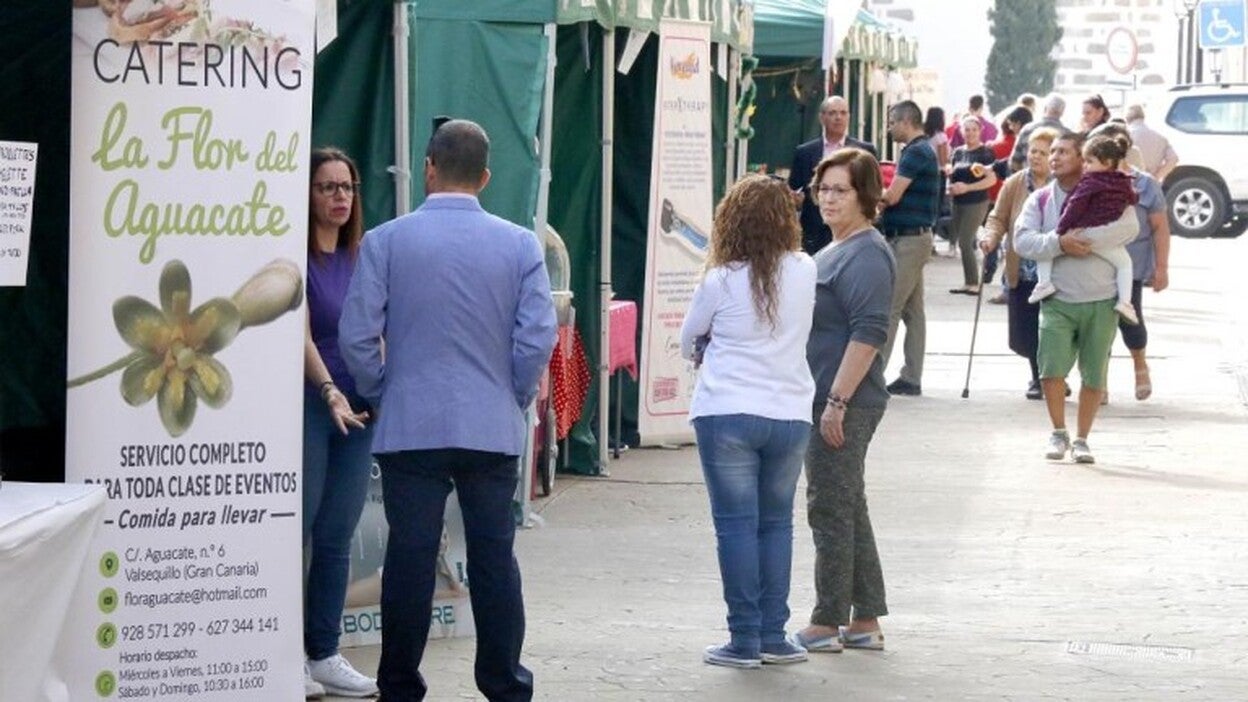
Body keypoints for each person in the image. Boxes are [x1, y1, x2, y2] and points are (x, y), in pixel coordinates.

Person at [339, 119, 557, 701]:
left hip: (411, 424)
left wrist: (384, 391)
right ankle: (504, 685)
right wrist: (511, 393)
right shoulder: (520, 245)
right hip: (490, 426)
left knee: (409, 558)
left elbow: (357, 336)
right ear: (485, 177)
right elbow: (537, 337)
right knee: (494, 558)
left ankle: (399, 685)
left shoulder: (385, 241)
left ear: (428, 169)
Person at [680, 174, 817, 670]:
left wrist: (708, 346)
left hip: (727, 410)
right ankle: (774, 635)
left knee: (735, 526)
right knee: (777, 524)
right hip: (790, 411)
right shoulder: (805, 268)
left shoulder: (719, 279)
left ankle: (743, 640)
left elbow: (689, 338)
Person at [788, 148, 896, 655]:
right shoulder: (836, 248)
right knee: (847, 503)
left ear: (865, 195)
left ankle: (827, 620)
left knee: (829, 507)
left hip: (846, 401)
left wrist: (837, 401)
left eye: (841, 190)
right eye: (823, 189)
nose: (829, 199)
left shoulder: (867, 253)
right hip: (827, 395)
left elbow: (869, 331)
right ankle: (865, 618)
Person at [301, 147, 378, 699]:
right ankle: (283, 654)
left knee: (336, 535)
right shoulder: (296, 257)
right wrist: (329, 391)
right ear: (307, 195)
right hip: (311, 405)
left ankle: (324, 653)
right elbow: (300, 335)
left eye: (346, 187)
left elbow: (380, 328)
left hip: (361, 411)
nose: (339, 197)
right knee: (298, 531)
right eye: (327, 187)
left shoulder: (364, 255)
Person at [1014, 132, 1139, 464]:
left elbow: (1130, 228)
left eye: (1063, 151)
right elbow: (1022, 241)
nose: (1054, 157)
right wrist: (1060, 244)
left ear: (1083, 159)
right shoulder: (1040, 200)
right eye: (1051, 151)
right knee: (1050, 371)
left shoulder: (1110, 193)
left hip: (1102, 301)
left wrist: (1084, 239)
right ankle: (1059, 431)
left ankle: (1082, 438)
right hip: (1057, 299)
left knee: (1094, 376)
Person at [1088, 121, 1172, 403]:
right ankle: (1099, 380)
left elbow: (1160, 228)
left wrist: (1161, 268)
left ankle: (1140, 365)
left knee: (1129, 318)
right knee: (1099, 323)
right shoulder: (1090, 181)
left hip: (1132, 265)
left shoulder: (1145, 184)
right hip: (1096, 264)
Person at [980, 128, 1060, 399]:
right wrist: (990, 237)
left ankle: (1048, 377)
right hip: (1023, 270)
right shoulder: (1015, 183)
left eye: (1043, 152)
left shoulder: (1063, 185)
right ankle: (1042, 375)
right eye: (1032, 151)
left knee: (1053, 328)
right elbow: (998, 217)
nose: (1035, 156)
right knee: (1024, 332)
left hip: (1057, 271)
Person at [1029, 134, 1139, 327]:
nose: (1085, 165)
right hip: (1105, 235)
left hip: (1082, 231)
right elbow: (1133, 198)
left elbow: (1075, 206)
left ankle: (1043, 284)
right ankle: (1125, 302)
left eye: (1089, 161)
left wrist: (1061, 230)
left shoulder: (1089, 182)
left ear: (1106, 162)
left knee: (1046, 251)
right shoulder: (1123, 180)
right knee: (1125, 263)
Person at [877, 100, 940, 397]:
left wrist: (865, 194)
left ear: (906, 121)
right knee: (914, 312)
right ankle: (911, 377)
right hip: (916, 238)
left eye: (892, 122)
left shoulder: (915, 152)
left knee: (889, 308)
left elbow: (892, 196)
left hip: (908, 241)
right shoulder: (922, 149)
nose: (889, 128)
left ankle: (872, 376)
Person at [789, 95, 879, 255]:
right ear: (822, 117)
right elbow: (794, 188)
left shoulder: (864, 151)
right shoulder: (804, 152)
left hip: (851, 228)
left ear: (849, 117)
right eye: (832, 113)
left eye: (843, 113)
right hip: (815, 231)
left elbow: (873, 187)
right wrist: (797, 199)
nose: (838, 117)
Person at [947, 116, 998, 295]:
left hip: (976, 201)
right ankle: (968, 282)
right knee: (962, 242)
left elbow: (991, 179)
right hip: (957, 201)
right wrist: (951, 187)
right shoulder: (957, 152)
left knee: (965, 241)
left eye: (974, 130)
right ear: (961, 132)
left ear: (980, 131)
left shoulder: (985, 153)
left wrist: (968, 187)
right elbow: (953, 175)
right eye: (967, 130)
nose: (970, 133)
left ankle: (974, 283)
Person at [1011, 93, 1068, 170]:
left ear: (1045, 108)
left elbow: (1015, 161)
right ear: (1062, 112)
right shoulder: (1067, 135)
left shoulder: (1027, 129)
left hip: (1027, 174)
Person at [1125, 104, 1179, 183]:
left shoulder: (1124, 136)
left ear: (1127, 119)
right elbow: (1174, 158)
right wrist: (1157, 176)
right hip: (1149, 182)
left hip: (1128, 181)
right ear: (1143, 117)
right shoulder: (1160, 137)